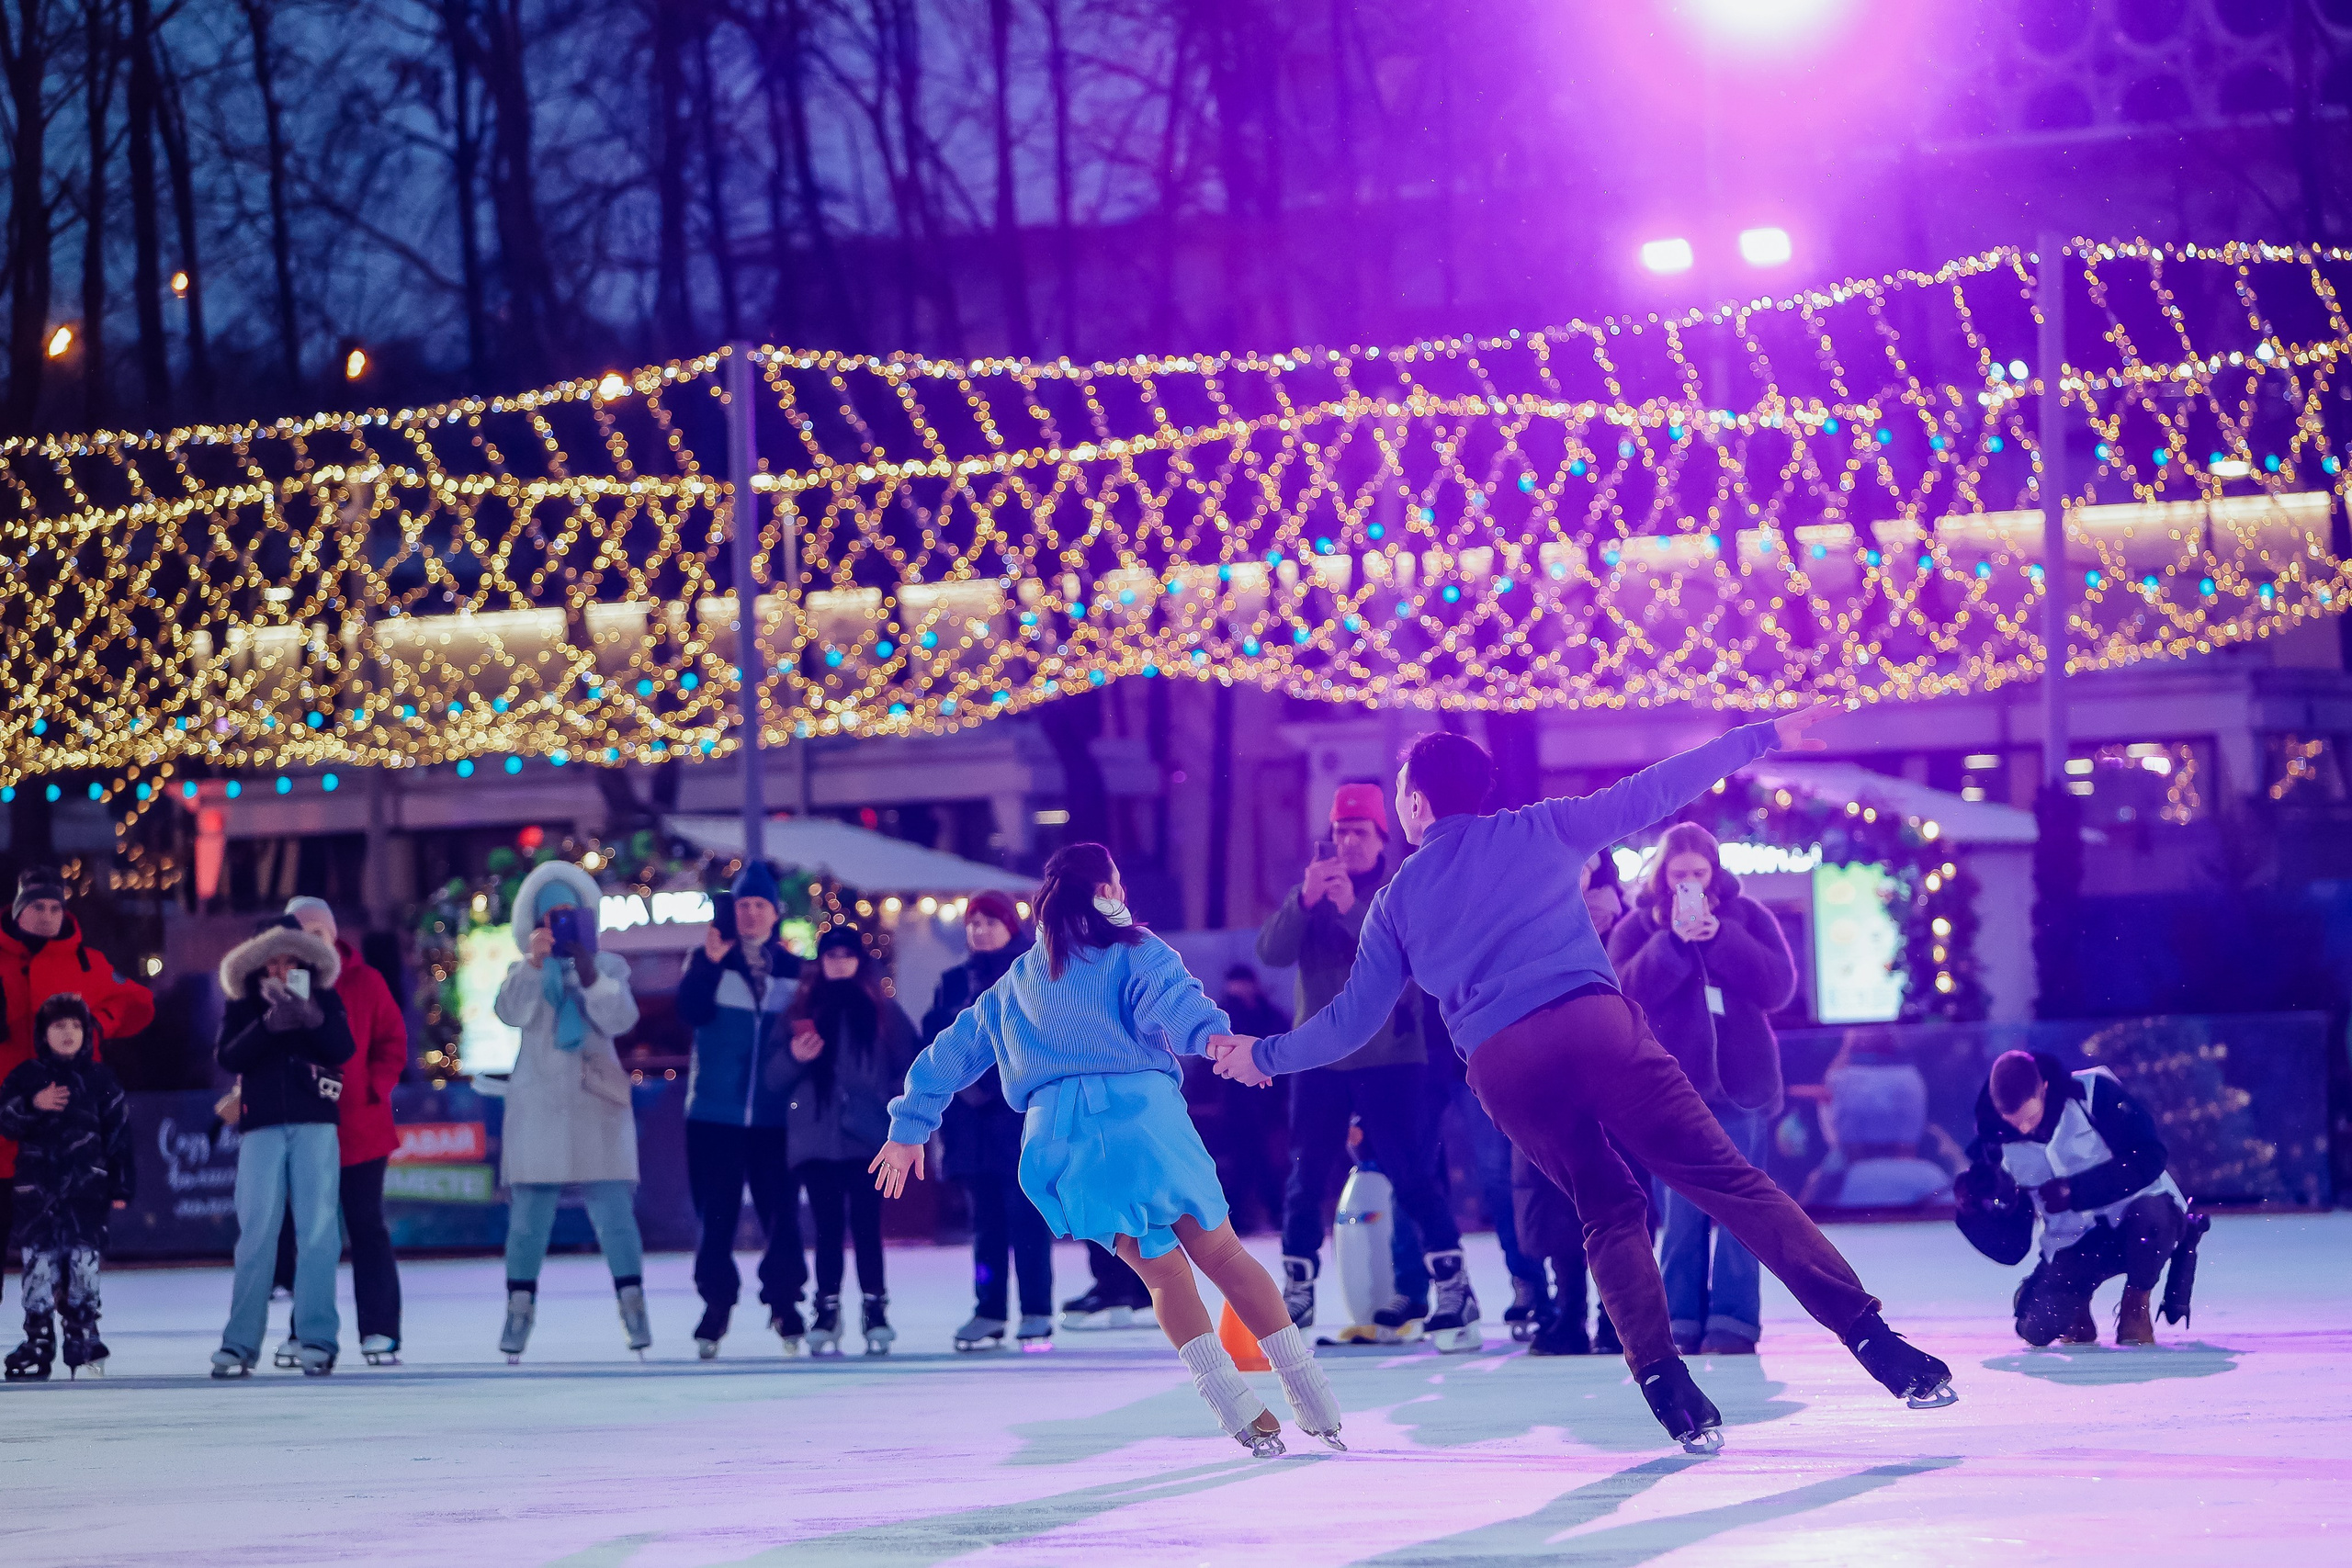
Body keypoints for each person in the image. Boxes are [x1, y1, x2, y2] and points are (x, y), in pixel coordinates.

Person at [1212, 712, 1957, 1454]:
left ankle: (1666, 1384)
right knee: (1727, 1179)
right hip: (1594, 1025)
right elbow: (1655, 790)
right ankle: (1873, 1339)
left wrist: (1265, 1055)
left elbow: (1349, 1021)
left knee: (1608, 1208)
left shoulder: (1397, 899)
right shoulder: (1540, 828)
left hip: (1506, 1064)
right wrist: (1757, 737)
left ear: (1414, 804)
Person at [873, 843, 1346, 1457]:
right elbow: (1178, 1004)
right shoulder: (1134, 949)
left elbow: (952, 1050)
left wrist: (909, 1125)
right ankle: (1311, 1395)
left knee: (1163, 1271)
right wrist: (1221, 1044)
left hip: (1065, 1139)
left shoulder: (1017, 978)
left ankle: (1234, 1407)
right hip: (1144, 1121)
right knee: (1222, 1254)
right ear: (1109, 892)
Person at [1256, 782, 1475, 1348]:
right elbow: (1272, 954)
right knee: (1306, 1175)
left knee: (1410, 1173)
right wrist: (1303, 901)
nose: (1348, 842)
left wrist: (1352, 910)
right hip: (1319, 1057)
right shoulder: (1311, 894)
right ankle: (1298, 1288)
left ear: (1381, 837)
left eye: (1359, 832)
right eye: (1340, 832)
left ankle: (1453, 1285)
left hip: (1392, 1056)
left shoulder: (1399, 890)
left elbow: (1408, 964)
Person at [1608, 823, 1796, 1357]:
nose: (1689, 881)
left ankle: (1734, 1322)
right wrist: (1670, 944)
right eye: (1679, 873)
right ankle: (1682, 1319)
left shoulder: (1747, 916)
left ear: (1714, 871)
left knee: (1743, 1209)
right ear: (1662, 876)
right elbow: (1621, 994)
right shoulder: (1638, 928)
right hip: (1669, 1091)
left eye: (1698, 871)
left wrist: (1721, 938)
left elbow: (1778, 986)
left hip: (1744, 1089)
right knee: (1682, 1212)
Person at [486, 860, 648, 1362]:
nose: (558, 924)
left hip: (597, 1104)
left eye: (568, 914)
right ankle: (518, 1311)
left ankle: (633, 1305)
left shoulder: (610, 967)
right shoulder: (522, 971)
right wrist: (535, 967)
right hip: (539, 1105)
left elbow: (621, 1019)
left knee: (615, 1214)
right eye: (548, 916)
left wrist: (590, 973)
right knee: (529, 1219)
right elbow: (508, 1013)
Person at [1956, 1050, 2199, 1348]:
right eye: (2012, 1120)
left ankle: (2136, 1301)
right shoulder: (1993, 1144)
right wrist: (1975, 1212)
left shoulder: (2094, 1094)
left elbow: (2150, 1157)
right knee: (2036, 1329)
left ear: (2044, 1087)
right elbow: (2012, 1249)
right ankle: (2069, 1302)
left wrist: (2077, 1190)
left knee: (2152, 1220)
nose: (2023, 1128)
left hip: (2139, 1223)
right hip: (2073, 1243)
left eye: (2030, 1117)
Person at [0, 866, 154, 1308]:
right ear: (18, 910)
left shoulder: (86, 960)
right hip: (10, 1118)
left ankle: (75, 1333)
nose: (48, 915)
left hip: (66, 1134)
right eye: (37, 906)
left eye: (55, 907)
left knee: (69, 1251)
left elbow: (139, 1003)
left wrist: (97, 1027)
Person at [1517, 849, 1649, 1358]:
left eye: (1585, 856)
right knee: (1555, 1198)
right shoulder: (1527, 918)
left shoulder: (1626, 922)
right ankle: (1568, 1313)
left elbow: (1636, 993)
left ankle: (1618, 1317)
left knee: (1616, 1194)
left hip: (1612, 1069)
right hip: (1545, 1071)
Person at [210, 918, 356, 1377]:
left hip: (315, 1120)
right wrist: (268, 1025)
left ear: (305, 961)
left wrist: (310, 1013)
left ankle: (317, 1339)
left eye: (290, 960)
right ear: (258, 964)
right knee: (256, 1232)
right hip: (261, 1124)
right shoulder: (243, 1003)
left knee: (318, 1232)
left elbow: (342, 1048)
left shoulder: (324, 996)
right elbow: (228, 1056)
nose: (280, 968)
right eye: (272, 961)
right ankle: (239, 1344)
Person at [267, 897, 409, 1369]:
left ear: (333, 934)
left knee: (367, 1227)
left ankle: (381, 1330)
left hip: (361, 1129)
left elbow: (392, 1041)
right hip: (305, 1129)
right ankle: (305, 1331)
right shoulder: (281, 985)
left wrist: (374, 1088)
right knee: (312, 1234)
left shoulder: (365, 981)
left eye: (318, 932)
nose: (310, 942)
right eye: (300, 934)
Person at [674, 862, 808, 1358]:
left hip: (776, 1117)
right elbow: (688, 1014)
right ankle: (716, 1306)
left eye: (761, 905)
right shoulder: (706, 960)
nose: (751, 913)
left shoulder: (795, 971)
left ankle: (785, 1302)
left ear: (775, 914)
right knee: (716, 1216)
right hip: (713, 1115)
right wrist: (709, 963)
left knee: (782, 1216)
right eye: (744, 905)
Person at [925, 891, 1056, 1350]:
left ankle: (1037, 1310)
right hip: (971, 1125)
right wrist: (961, 1086)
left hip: (1017, 1118)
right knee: (984, 1223)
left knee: (1027, 1217)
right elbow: (937, 1040)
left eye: (990, 922)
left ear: (1009, 928)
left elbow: (1043, 1037)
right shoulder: (952, 981)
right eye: (973, 923)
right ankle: (989, 1310)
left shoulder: (1031, 973)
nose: (980, 931)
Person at [780, 927, 918, 1356]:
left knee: (866, 1225)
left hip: (868, 1137)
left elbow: (911, 1068)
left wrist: (883, 1102)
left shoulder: (883, 1012)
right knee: (825, 1228)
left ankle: (875, 1309)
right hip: (816, 1139)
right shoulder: (800, 1010)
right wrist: (794, 1057)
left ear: (860, 961)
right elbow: (771, 1078)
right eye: (830, 955)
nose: (839, 962)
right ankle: (827, 1309)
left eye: (847, 954)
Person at [0, 995, 133, 1380]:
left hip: (85, 1196)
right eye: (59, 1026)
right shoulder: (26, 1077)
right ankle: (38, 1340)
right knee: (38, 1268)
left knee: (83, 1268)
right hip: (36, 1196)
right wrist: (32, 1104)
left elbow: (119, 1134)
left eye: (76, 1025)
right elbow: (6, 1121)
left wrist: (121, 1186)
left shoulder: (100, 1079)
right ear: (44, 1034)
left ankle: (84, 1335)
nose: (69, 1032)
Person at [1181, 964, 1288, 1238]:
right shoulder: (1229, 1016)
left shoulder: (1265, 1015)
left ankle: (1258, 1214)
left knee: (1258, 1160)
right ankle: (1248, 1216)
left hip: (1265, 1102)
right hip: (1237, 1104)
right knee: (1246, 1161)